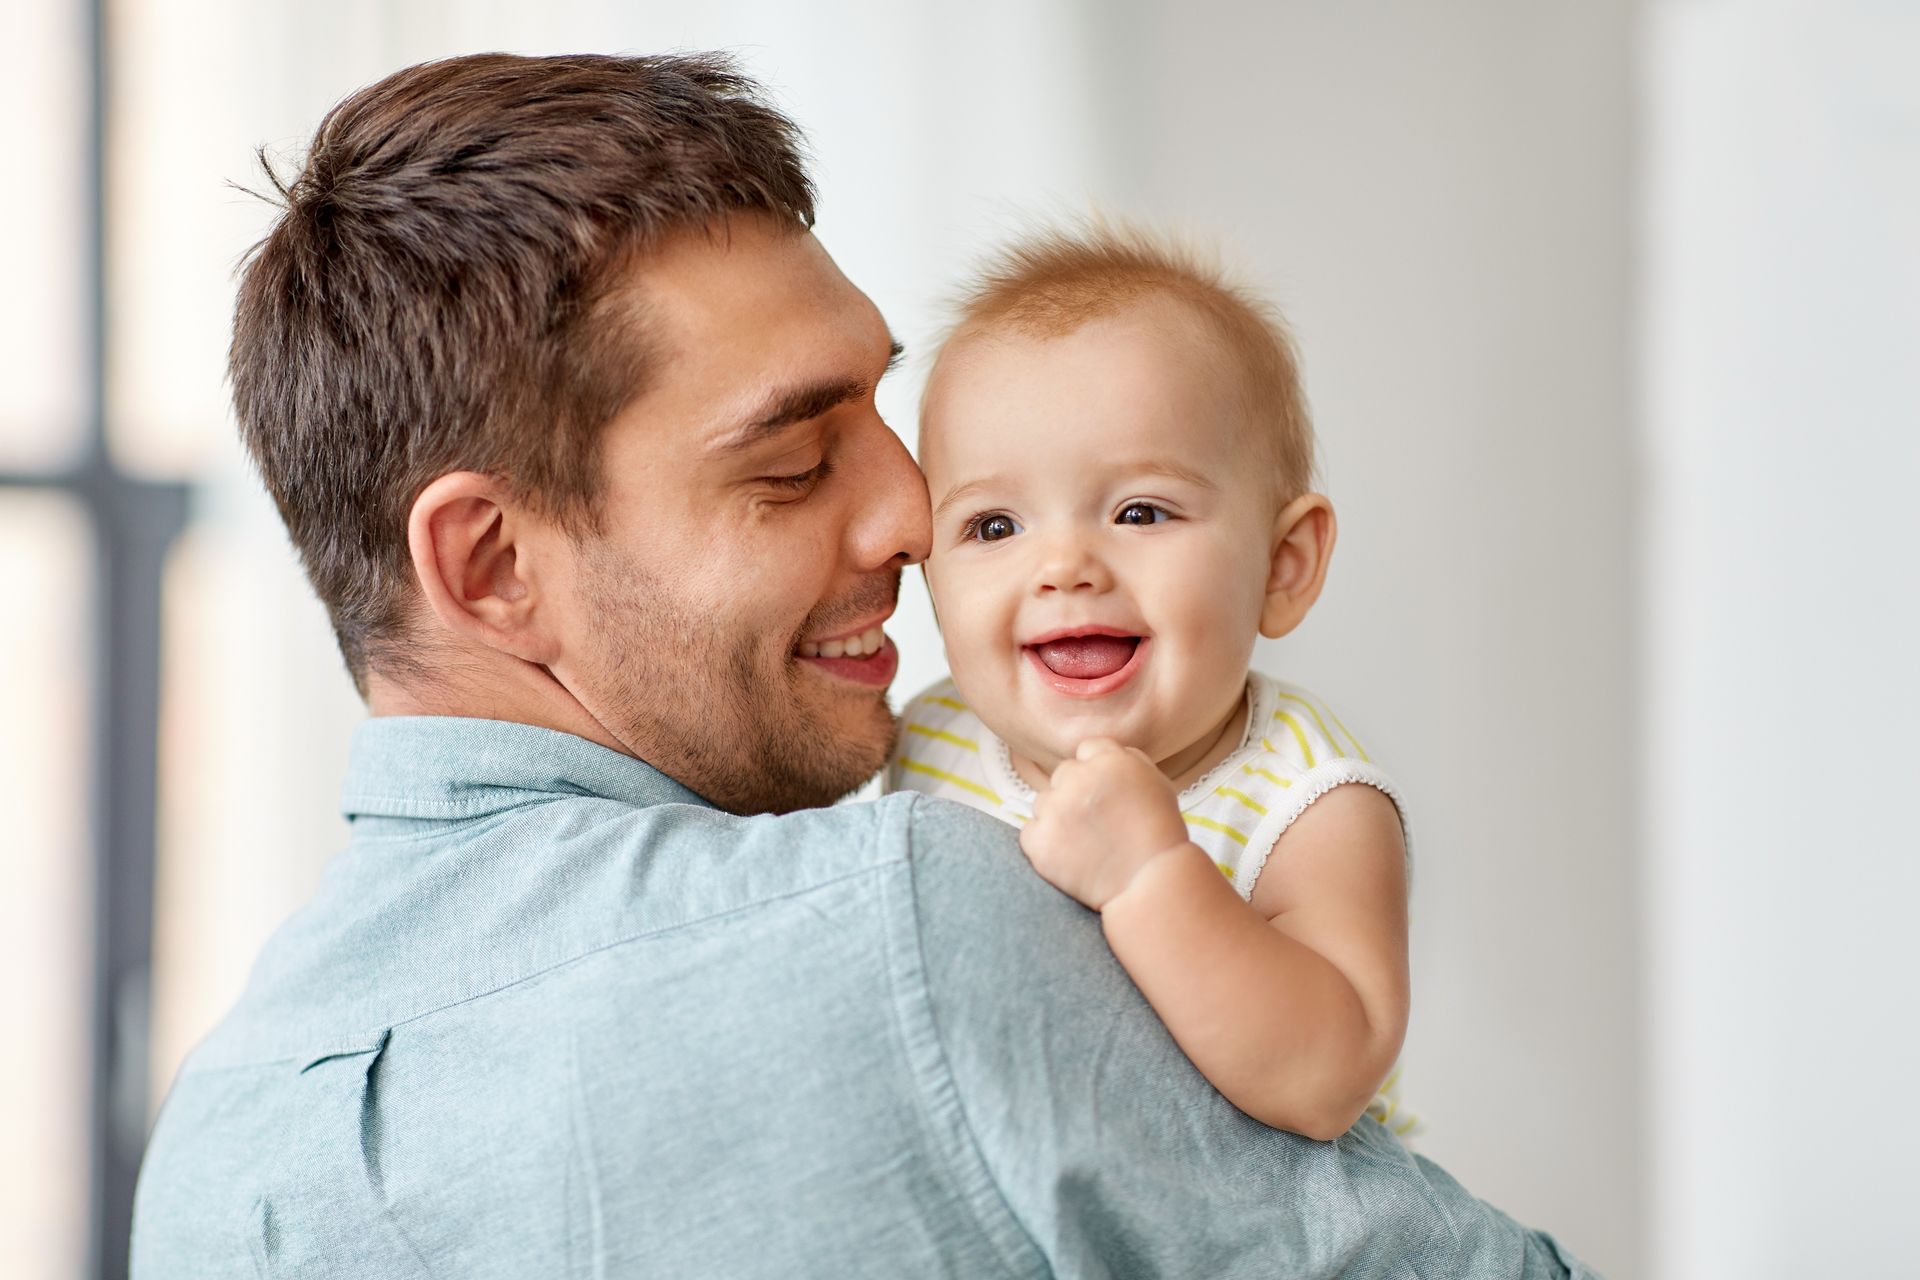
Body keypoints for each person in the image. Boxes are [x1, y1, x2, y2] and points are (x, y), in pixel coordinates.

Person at [130, 52, 1591, 1277]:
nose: (913, 518)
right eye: (790, 461)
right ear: (493, 566)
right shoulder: (911, 916)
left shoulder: (216, 1149)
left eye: (888, 414)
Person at [888, 225, 1417, 1141]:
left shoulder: (1308, 804)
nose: (1064, 566)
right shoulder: (928, 738)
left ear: (1282, 566)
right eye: (993, 527)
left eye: (1140, 511)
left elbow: (1327, 1076)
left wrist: (1152, 875)